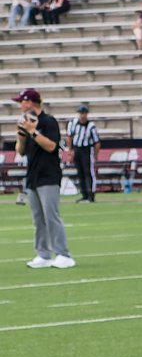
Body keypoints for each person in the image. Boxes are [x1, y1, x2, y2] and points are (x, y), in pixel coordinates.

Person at [16, 90, 70, 268]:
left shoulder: (48, 122)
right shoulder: (27, 122)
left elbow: (52, 146)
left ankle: (63, 254)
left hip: (48, 175)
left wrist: (33, 132)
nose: (20, 106)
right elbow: (21, 151)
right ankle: (43, 254)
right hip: (33, 175)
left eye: (22, 102)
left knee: (51, 216)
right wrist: (21, 137)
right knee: (38, 219)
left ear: (30, 102)